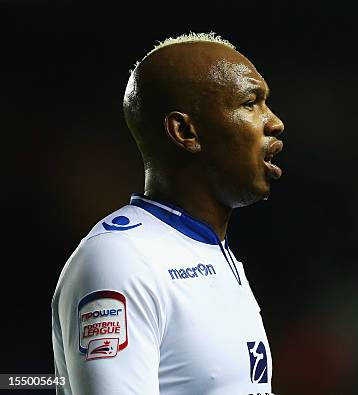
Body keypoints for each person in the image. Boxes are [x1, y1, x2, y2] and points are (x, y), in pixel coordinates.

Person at [51, 32, 284, 395]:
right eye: (251, 103)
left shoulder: (213, 252)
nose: (274, 122)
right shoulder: (121, 259)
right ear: (185, 131)